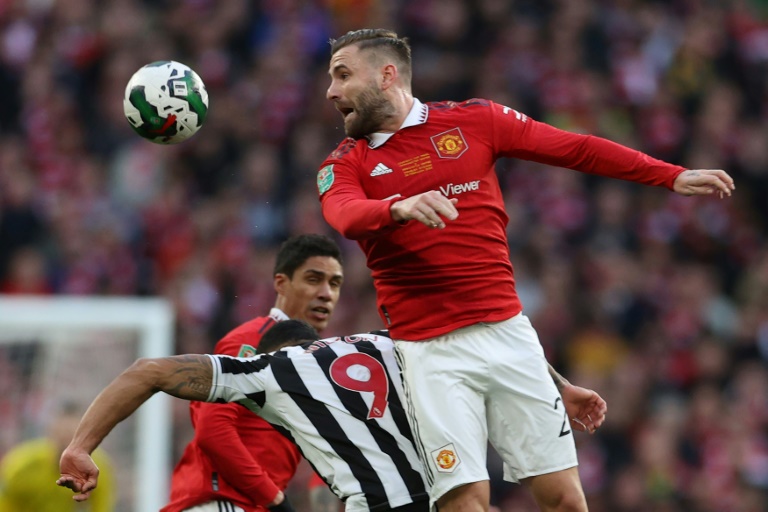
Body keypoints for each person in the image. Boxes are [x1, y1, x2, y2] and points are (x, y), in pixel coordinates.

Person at [316, 28, 736, 512]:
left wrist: (670, 175)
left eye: (343, 75)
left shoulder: (476, 120)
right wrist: (397, 208)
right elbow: (344, 216)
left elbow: (576, 148)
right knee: (466, 502)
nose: (331, 91)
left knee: (565, 499)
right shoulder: (346, 162)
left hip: (510, 336)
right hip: (429, 352)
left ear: (387, 75)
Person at [57, 320, 606, 512]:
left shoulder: (272, 371)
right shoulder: (395, 339)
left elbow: (147, 371)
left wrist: (81, 445)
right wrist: (563, 386)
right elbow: (482, 337)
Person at [164, 233, 344, 512]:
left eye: (334, 283)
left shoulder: (313, 362)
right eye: (313, 279)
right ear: (281, 284)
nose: (326, 293)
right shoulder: (251, 341)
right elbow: (213, 430)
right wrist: (275, 499)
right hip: (223, 502)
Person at [0, 401, 115, 512]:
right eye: (62, 433)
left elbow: (101, 507)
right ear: (51, 430)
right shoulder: (22, 464)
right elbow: (5, 505)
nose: (67, 442)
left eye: (73, 436)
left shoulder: (97, 469)